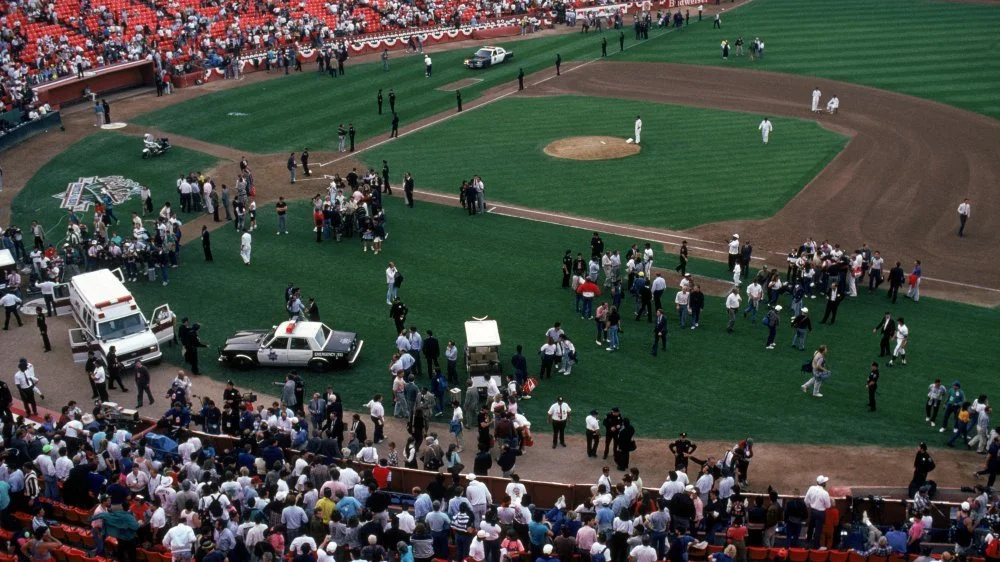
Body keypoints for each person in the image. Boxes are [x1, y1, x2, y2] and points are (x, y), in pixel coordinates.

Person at [804, 476, 831, 548]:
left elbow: (806, 500)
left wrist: (809, 506)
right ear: (823, 484)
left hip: (813, 511)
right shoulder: (825, 493)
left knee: (810, 527)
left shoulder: (811, 488)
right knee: (818, 530)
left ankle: (807, 543)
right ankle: (815, 547)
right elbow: (828, 506)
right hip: (820, 513)